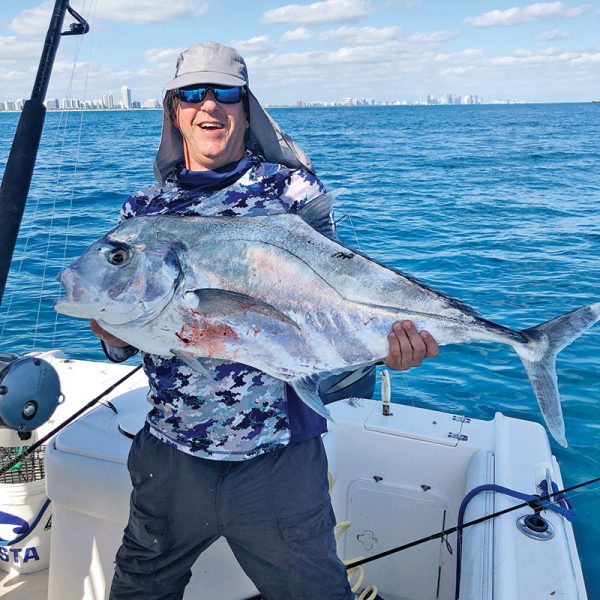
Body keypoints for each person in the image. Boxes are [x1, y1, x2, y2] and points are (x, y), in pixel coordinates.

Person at [91, 42, 439, 600]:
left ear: (247, 109)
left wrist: (389, 343)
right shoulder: (143, 213)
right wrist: (110, 334)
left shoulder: (290, 192)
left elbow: (335, 295)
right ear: (174, 111)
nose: (211, 105)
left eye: (226, 92)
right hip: (173, 455)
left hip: (278, 459)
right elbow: (131, 338)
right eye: (192, 94)